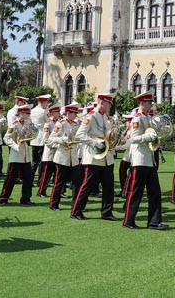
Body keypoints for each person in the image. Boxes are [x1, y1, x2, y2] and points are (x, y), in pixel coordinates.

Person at [123, 92, 167, 230]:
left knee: (155, 192)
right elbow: (133, 139)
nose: (151, 105)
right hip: (140, 159)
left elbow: (151, 135)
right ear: (142, 103)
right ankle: (128, 221)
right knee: (136, 192)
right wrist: (148, 136)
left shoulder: (147, 118)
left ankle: (154, 221)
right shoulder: (137, 119)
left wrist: (156, 137)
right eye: (149, 103)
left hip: (149, 159)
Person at [72, 93, 118, 221]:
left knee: (109, 186)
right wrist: (94, 143)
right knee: (87, 185)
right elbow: (79, 135)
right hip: (93, 157)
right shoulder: (91, 116)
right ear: (102, 102)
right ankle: (76, 211)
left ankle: (107, 212)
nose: (110, 107)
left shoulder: (105, 117)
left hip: (106, 158)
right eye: (108, 104)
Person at [0, 104, 33, 205]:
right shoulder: (14, 124)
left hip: (25, 155)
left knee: (28, 178)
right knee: (11, 178)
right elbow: (6, 138)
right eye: (27, 114)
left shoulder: (26, 124)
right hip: (16, 155)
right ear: (21, 114)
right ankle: (3, 197)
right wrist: (15, 146)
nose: (28, 116)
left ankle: (26, 198)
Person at [48, 103, 80, 211]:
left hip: (73, 158)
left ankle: (76, 205)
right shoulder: (60, 124)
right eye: (74, 113)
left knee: (76, 182)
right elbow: (51, 139)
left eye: (76, 113)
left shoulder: (76, 124)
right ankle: (54, 204)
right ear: (68, 113)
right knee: (59, 182)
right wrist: (61, 139)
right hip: (62, 157)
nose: (76, 115)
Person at [36, 104, 60, 197]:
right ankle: (41, 191)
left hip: (57, 153)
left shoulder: (58, 122)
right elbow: (45, 139)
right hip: (50, 152)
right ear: (52, 113)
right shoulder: (48, 123)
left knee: (57, 174)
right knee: (46, 174)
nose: (58, 114)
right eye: (56, 112)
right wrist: (55, 144)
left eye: (58, 112)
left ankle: (59, 192)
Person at [28, 94, 51, 182]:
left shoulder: (32, 110)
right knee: (41, 161)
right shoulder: (44, 111)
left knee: (34, 161)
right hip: (41, 136)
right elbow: (48, 121)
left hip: (34, 137)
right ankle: (40, 180)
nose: (46, 104)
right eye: (46, 102)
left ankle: (30, 179)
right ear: (43, 102)